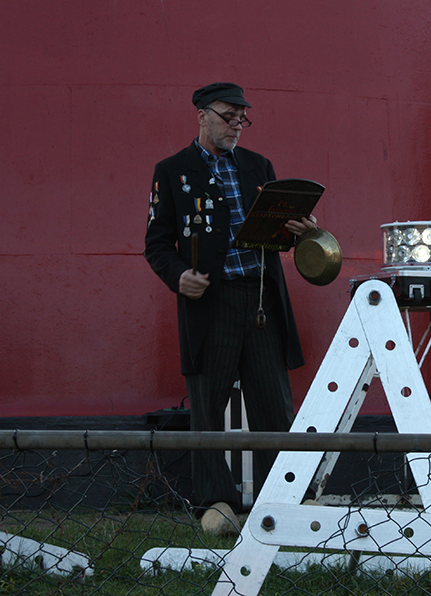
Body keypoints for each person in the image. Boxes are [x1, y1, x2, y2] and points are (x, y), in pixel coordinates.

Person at [144, 82, 317, 535]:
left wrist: (302, 230)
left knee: (274, 404)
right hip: (210, 303)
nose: (237, 126)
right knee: (207, 404)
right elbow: (157, 243)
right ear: (201, 115)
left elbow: (278, 234)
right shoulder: (172, 170)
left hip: (260, 299)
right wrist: (178, 275)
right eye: (228, 116)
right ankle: (216, 503)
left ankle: (278, 500)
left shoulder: (259, 166)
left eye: (242, 118)